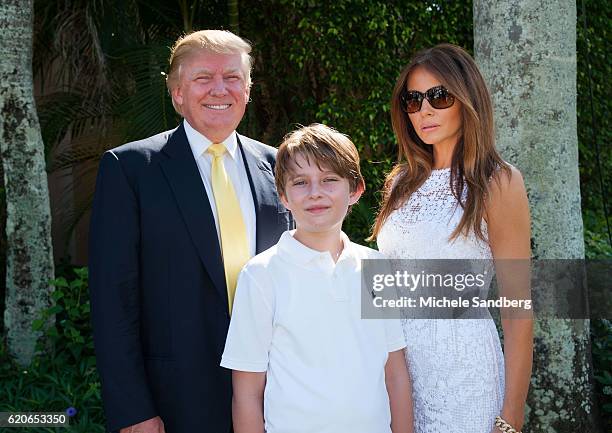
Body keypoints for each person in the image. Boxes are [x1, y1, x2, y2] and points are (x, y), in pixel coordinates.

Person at [88, 30, 292, 433]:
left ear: (248, 90)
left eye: (233, 77)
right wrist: (133, 410)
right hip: (175, 399)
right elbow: (113, 302)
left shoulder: (280, 166)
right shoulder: (130, 169)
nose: (220, 89)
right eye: (203, 78)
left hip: (278, 394)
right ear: (177, 92)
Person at [371, 44, 533, 433]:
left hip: (463, 372)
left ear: (467, 99)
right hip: (394, 366)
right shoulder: (399, 183)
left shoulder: (498, 181)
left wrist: (511, 416)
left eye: (438, 96)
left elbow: (517, 308)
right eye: (412, 100)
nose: (423, 110)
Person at [220, 124, 414, 433]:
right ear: (282, 196)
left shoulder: (375, 268)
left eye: (329, 180)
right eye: (300, 182)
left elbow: (395, 372)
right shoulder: (261, 276)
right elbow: (246, 392)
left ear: (355, 190)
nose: (315, 193)